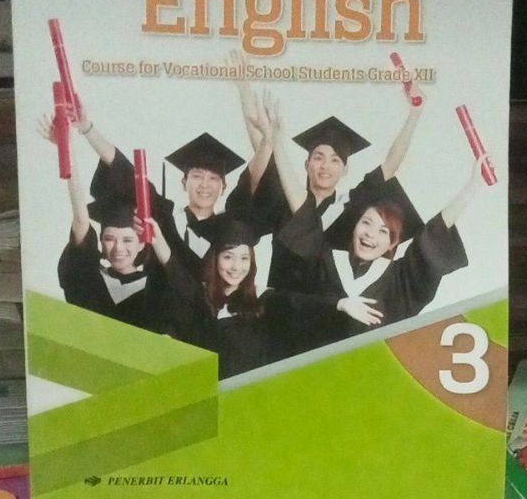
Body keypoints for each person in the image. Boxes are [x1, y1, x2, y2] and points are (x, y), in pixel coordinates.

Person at [229, 59, 426, 292]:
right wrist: (243, 89)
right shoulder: (285, 199)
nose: (325, 166)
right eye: (318, 157)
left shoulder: (349, 207)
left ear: (345, 169)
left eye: (335, 160)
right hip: (280, 304)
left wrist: (415, 113)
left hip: (330, 306)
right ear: (307, 164)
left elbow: (390, 164)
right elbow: (263, 143)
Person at [275, 147, 488, 337]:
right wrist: (276, 142)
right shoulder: (326, 260)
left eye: (383, 231)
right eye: (366, 222)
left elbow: (434, 233)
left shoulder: (398, 280)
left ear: (392, 243)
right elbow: (302, 213)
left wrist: (473, 185)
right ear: (355, 227)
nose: (370, 234)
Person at [139, 215, 372, 379]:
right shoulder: (203, 297)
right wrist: (157, 239)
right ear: (215, 259)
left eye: (244, 258)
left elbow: (298, 303)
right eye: (228, 257)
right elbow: (177, 275)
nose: (236, 267)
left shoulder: (262, 299)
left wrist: (340, 304)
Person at [72, 101, 251, 278]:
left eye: (213, 178)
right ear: (184, 182)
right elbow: (125, 171)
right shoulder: (164, 214)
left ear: (223, 187)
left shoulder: (231, 229)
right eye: (197, 176)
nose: (205, 184)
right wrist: (87, 129)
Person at [39, 118, 170, 333]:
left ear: (141, 244)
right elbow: (81, 219)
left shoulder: (157, 288)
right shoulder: (88, 277)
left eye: (127, 239)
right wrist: (66, 150)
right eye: (110, 238)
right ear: (100, 241)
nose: (118, 248)